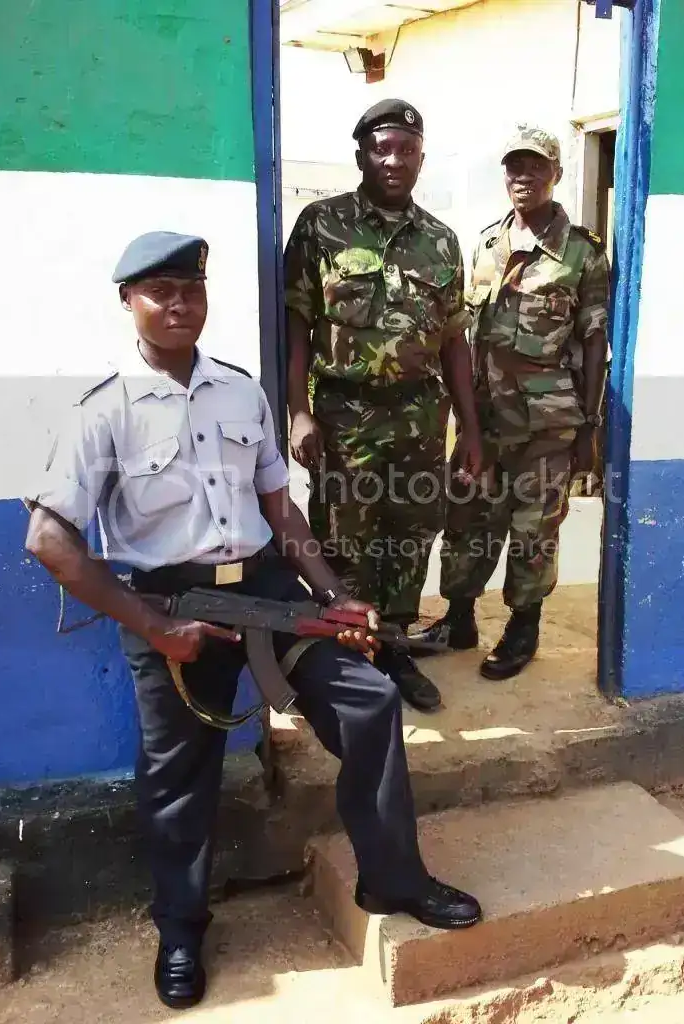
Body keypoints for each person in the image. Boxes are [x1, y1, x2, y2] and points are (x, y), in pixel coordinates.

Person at [23, 232, 481, 1011]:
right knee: (178, 776)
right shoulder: (104, 410)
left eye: (192, 290)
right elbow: (49, 540)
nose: (179, 304)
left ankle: (394, 879)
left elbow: (280, 510)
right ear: (128, 301)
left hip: (267, 590)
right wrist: (151, 625)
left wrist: (330, 595)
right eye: (161, 291)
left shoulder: (242, 392)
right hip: (173, 605)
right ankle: (179, 931)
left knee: (369, 702)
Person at [283, 99, 482, 714]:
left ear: (421, 159)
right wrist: (298, 410)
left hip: (422, 417)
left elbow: (454, 340)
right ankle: (348, 655)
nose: (394, 161)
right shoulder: (322, 225)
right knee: (344, 537)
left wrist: (469, 427)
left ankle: (392, 645)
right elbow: (296, 325)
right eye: (381, 149)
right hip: (345, 414)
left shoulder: (441, 241)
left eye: (406, 150)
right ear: (361, 155)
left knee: (411, 535)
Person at [413, 125, 610, 680]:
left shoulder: (582, 253)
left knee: (532, 531)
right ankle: (459, 618)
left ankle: (524, 627)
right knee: (467, 522)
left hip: (546, 424)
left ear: (557, 174)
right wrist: (463, 419)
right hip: (484, 418)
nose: (523, 177)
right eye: (515, 166)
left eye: (536, 166)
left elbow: (595, 341)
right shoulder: (485, 244)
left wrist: (590, 426)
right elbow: (465, 334)